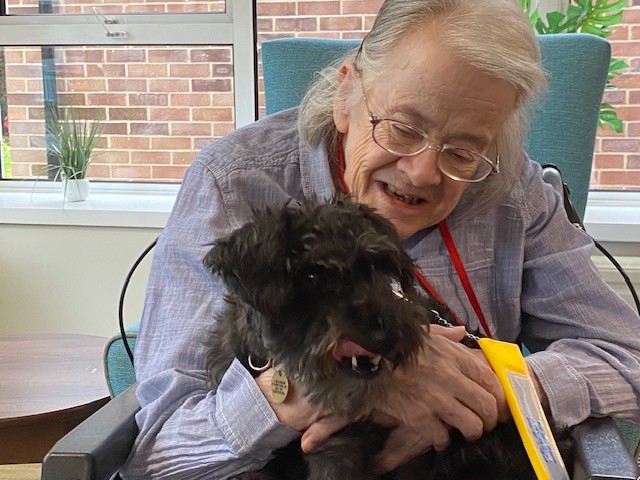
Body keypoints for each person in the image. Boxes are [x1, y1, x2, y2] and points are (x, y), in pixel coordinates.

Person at [121, 0, 640, 478]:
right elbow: (161, 450)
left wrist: (487, 386)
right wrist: (318, 389)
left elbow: (627, 357)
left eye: (462, 151)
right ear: (345, 95)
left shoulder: (511, 191)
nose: (421, 173)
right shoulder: (233, 184)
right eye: (403, 127)